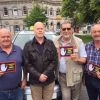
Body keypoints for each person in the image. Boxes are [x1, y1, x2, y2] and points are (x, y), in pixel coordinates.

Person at [23, 22, 58, 100]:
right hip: (35, 82)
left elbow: (54, 61)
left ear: (44, 30)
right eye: (38, 29)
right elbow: (27, 63)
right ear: (34, 31)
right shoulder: (28, 45)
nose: (40, 30)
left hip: (49, 80)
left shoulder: (50, 43)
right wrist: (38, 75)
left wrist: (45, 74)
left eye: (41, 28)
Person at [54, 20, 87, 100]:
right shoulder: (55, 41)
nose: (66, 31)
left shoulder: (79, 42)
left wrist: (77, 59)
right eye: (64, 29)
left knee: (75, 98)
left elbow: (84, 60)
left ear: (72, 30)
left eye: (68, 29)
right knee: (66, 97)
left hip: (75, 76)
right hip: (62, 76)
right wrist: (55, 55)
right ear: (61, 30)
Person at [0, 28, 26, 100]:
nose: (6, 39)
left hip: (17, 91)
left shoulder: (19, 50)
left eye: (8, 36)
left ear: (11, 37)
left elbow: (25, 66)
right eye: (3, 37)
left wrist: (24, 79)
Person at [85, 23, 100, 100]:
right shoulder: (87, 46)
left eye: (99, 31)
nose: (96, 33)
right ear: (91, 34)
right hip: (89, 78)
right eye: (94, 32)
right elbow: (85, 62)